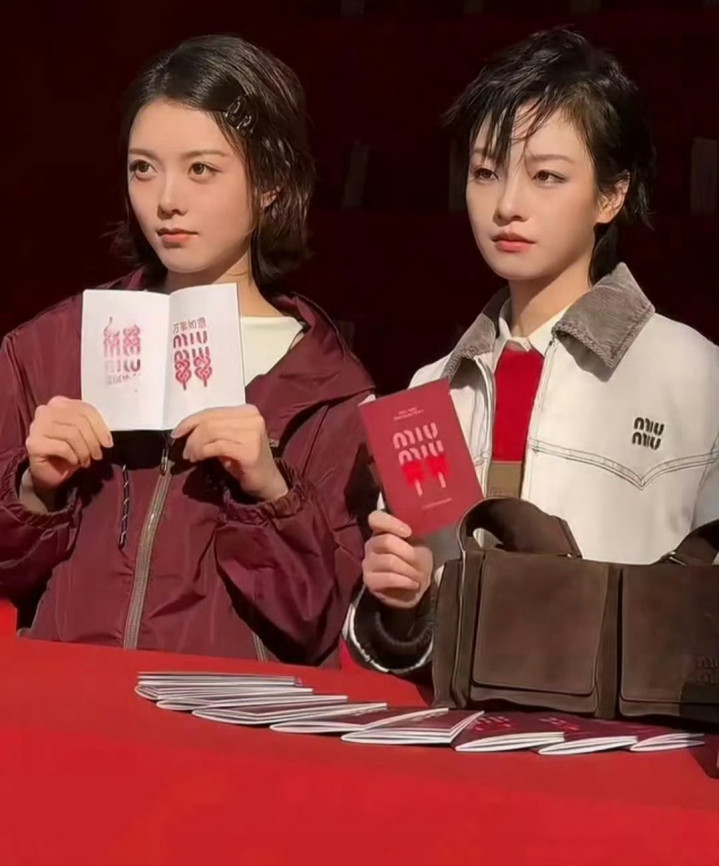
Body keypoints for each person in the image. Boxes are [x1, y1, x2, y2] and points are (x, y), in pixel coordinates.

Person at [347, 28, 719, 675]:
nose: (507, 205)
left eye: (546, 176)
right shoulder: (428, 393)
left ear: (612, 193)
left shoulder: (694, 375)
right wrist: (404, 603)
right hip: (458, 729)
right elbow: (407, 643)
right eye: (485, 173)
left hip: (628, 727)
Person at [0, 34, 376, 665]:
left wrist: (271, 492)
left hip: (219, 718)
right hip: (69, 702)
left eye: (201, 169)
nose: (167, 199)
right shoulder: (50, 348)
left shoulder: (329, 391)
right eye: (143, 168)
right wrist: (35, 490)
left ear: (271, 182)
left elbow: (324, 626)